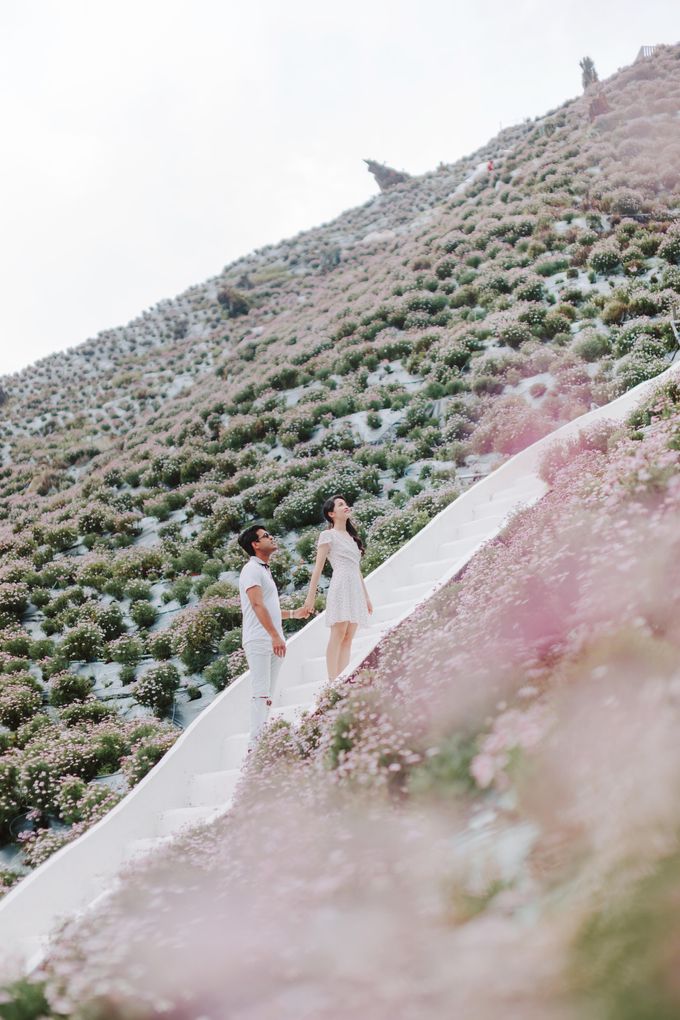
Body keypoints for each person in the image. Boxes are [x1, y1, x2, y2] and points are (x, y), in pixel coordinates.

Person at [237, 524, 310, 744]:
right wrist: (275, 636)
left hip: (271, 639)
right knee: (261, 692)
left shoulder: (263, 569)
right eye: (265, 536)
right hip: (260, 640)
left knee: (267, 693)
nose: (271, 537)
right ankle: (254, 745)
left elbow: (269, 607)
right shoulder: (251, 569)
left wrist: (293, 614)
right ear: (255, 544)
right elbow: (257, 605)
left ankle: (262, 740)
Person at [303, 495, 373, 681]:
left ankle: (343, 679)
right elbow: (317, 569)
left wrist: (366, 597)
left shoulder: (352, 538)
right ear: (331, 513)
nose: (346, 506)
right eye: (341, 505)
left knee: (349, 636)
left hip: (355, 588)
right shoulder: (328, 535)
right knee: (339, 632)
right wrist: (310, 597)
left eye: (346, 504)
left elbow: (357, 569)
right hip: (341, 585)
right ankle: (332, 681)